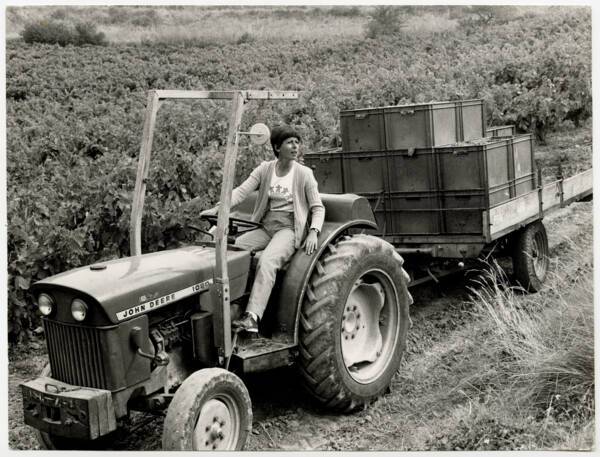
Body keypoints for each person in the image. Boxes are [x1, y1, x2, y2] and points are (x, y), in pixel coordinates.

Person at [200, 125, 325, 333]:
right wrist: (217, 209)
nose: (295, 146)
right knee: (233, 251)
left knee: (267, 261)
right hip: (266, 226)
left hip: (288, 228)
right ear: (277, 147)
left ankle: (252, 318)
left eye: (297, 142)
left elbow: (317, 207)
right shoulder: (265, 169)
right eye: (289, 142)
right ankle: (229, 305)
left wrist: (313, 232)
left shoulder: (304, 174)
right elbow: (240, 193)